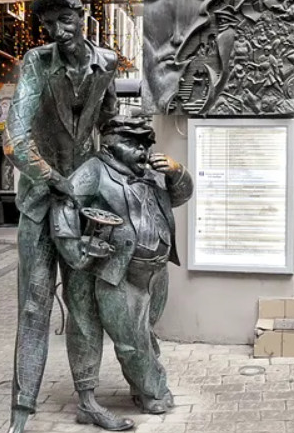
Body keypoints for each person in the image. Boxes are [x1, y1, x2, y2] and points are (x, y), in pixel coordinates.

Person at [0, 0, 129, 433]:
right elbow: (16, 139)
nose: (58, 30)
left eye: (65, 18)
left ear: (81, 15)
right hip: (42, 202)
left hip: (85, 205)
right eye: (48, 23)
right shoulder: (36, 64)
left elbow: (110, 123)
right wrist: (56, 180)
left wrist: (121, 165)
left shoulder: (107, 64)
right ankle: (17, 426)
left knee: (83, 307)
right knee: (35, 308)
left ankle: (88, 399)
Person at [51, 116, 193, 415]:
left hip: (156, 270)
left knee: (145, 332)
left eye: (145, 144)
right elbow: (65, 205)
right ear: (111, 145)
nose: (142, 151)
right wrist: (78, 249)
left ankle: (140, 387)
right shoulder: (95, 170)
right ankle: (154, 390)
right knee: (131, 340)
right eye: (133, 144)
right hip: (118, 272)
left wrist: (177, 172)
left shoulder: (150, 172)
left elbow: (179, 197)